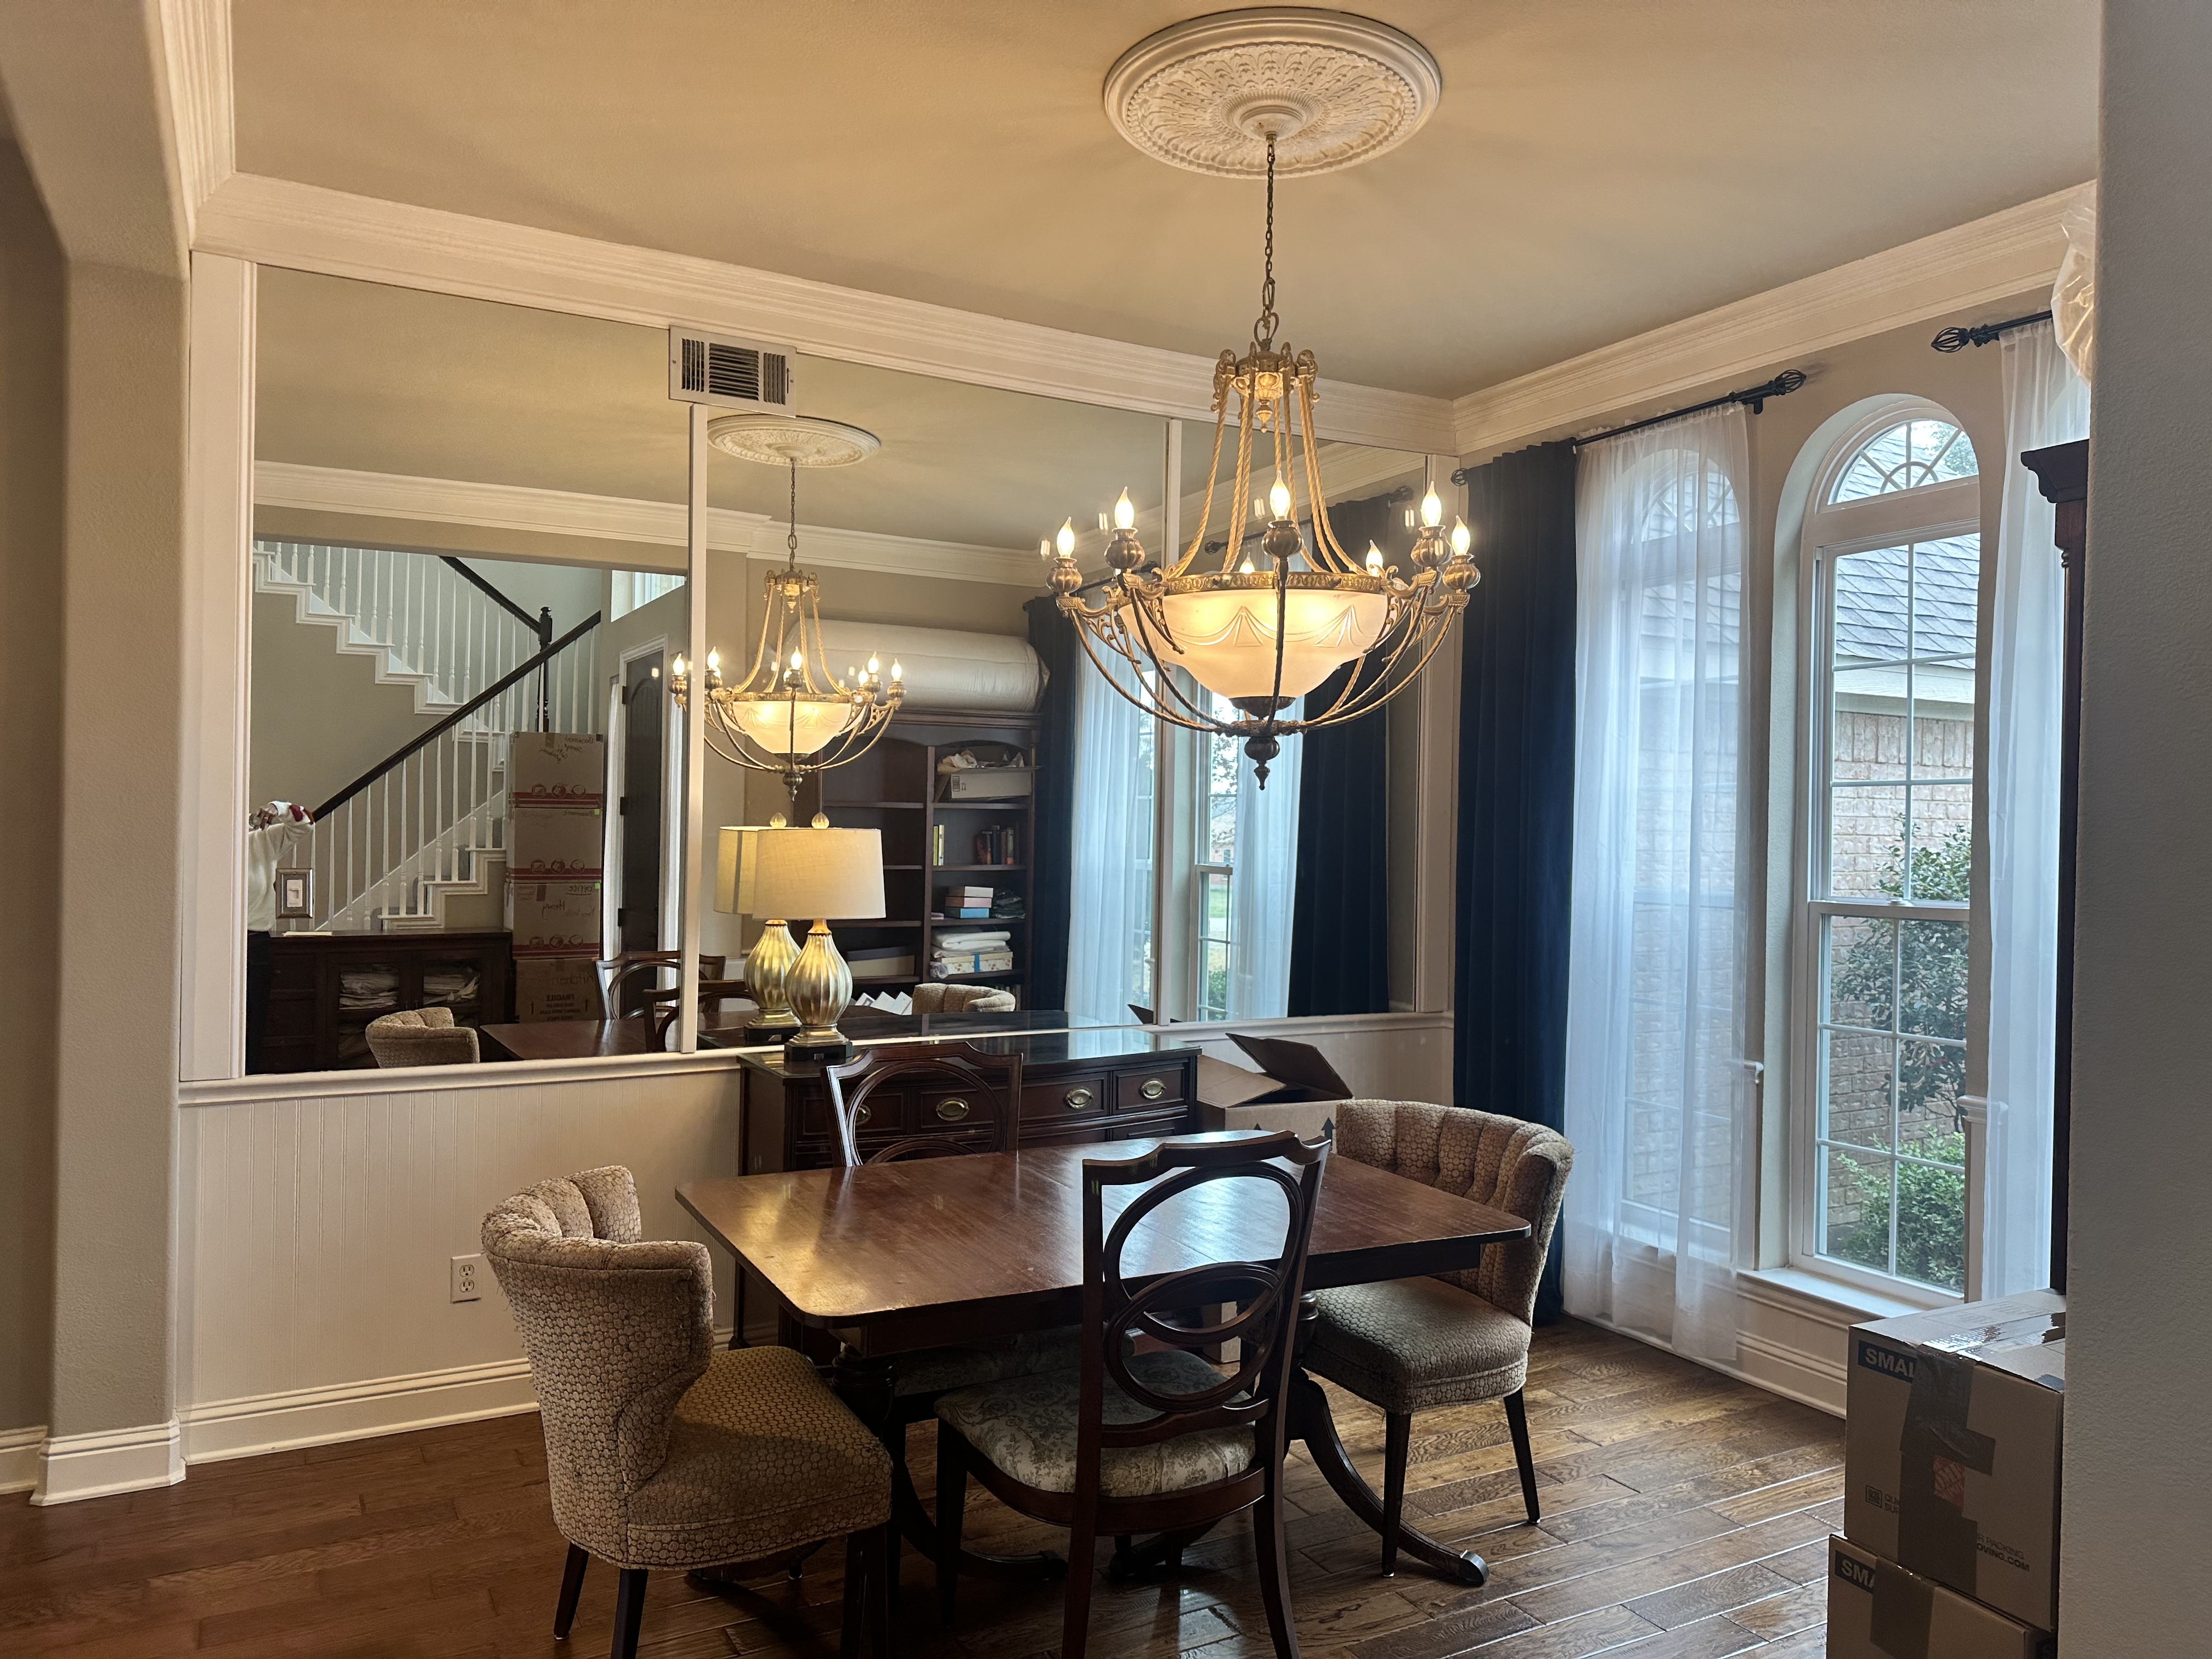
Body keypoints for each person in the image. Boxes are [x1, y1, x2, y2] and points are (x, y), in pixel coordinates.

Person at [245, 800, 313, 1071]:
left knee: (254, 1022)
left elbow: (304, 823)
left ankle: (249, 1079)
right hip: (210, 943)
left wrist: (278, 808)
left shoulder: (260, 837)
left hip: (254, 943)